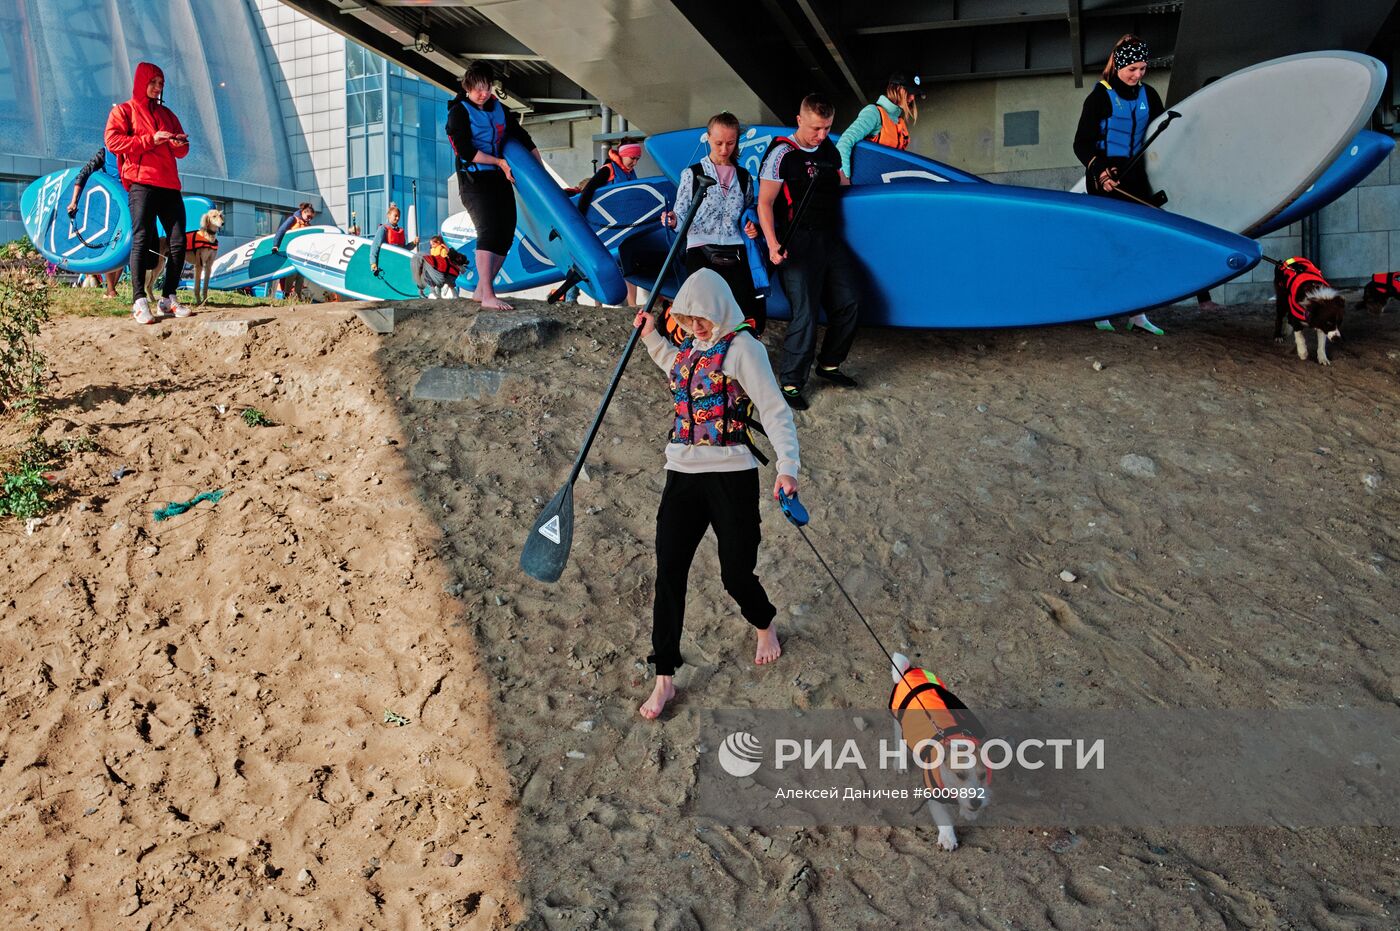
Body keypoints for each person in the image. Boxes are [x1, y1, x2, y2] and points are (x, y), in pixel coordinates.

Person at [634, 269, 801, 720]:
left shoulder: (743, 348)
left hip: (731, 475)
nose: (696, 327)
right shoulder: (692, 348)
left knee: (735, 574)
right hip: (681, 473)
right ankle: (664, 676)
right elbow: (676, 366)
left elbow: (774, 408)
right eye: (688, 319)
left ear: (720, 309)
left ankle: (764, 623)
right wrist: (653, 337)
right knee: (669, 570)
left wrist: (788, 468)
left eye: (702, 318)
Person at [756, 94, 861, 411]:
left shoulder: (829, 149)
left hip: (830, 239)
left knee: (850, 301)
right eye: (816, 128)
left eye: (827, 127)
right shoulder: (781, 154)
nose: (822, 135)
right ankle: (790, 381)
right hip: (796, 242)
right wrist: (773, 244)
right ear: (800, 120)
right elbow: (765, 203)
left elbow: (841, 181)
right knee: (806, 312)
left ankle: (829, 365)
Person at [1074, 35, 1172, 335]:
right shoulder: (1099, 98)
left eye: (1143, 69)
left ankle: (1137, 313)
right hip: (1104, 176)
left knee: (1139, 245)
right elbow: (1081, 144)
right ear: (1118, 65)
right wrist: (1101, 174)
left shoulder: (1150, 96)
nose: (1138, 75)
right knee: (1110, 245)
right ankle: (1102, 309)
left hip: (1135, 176)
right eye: (1132, 69)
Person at [445, 61, 543, 311]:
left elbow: (522, 137)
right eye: (477, 88)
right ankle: (489, 294)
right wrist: (499, 161)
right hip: (474, 180)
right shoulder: (459, 112)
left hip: (498, 178)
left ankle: (481, 290)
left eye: (486, 87)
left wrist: (538, 167)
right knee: (488, 231)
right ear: (467, 87)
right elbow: (465, 151)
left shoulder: (500, 109)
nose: (483, 93)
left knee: (506, 232)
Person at [661, 112, 766, 334]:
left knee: (741, 309)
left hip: (735, 249)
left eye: (730, 143)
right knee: (702, 311)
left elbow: (747, 212)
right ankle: (700, 360)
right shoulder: (692, 174)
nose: (724, 149)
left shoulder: (744, 176)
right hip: (700, 248)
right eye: (718, 143)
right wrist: (672, 220)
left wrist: (751, 227)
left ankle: (734, 356)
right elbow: (680, 215)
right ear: (707, 138)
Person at [103, 61, 190, 324]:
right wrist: (149, 140)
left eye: (161, 83)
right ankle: (139, 300)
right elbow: (112, 141)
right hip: (141, 183)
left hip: (169, 184)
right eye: (153, 82)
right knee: (141, 238)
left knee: (178, 242)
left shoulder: (168, 114)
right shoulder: (124, 111)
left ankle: (168, 298)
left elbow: (182, 151)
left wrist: (177, 143)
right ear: (142, 82)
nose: (157, 87)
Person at [578, 142, 643, 305]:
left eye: (637, 159)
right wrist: (580, 218)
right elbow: (587, 192)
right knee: (601, 265)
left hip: (624, 227)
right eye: (632, 158)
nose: (635, 162)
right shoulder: (608, 169)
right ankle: (598, 304)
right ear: (623, 154)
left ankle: (632, 304)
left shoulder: (630, 172)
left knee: (628, 264)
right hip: (604, 227)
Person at [834, 72, 925, 177]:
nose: (913, 98)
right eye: (909, 92)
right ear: (895, 88)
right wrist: (844, 178)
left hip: (884, 183)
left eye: (915, 94)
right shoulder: (874, 112)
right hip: (864, 183)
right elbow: (845, 142)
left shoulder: (899, 122)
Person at [66, 146, 123, 298]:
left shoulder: (133, 147)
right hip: (111, 204)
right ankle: (111, 289)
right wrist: (74, 201)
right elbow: (84, 173)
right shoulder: (105, 153)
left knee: (126, 248)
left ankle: (112, 289)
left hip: (131, 200)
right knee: (112, 245)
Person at [271, 202, 316, 301]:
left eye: (311, 218)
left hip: (301, 253)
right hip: (290, 251)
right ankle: (286, 295)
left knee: (301, 274)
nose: (309, 219)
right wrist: (276, 245)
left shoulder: (308, 226)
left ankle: (298, 296)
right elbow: (281, 231)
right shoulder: (293, 219)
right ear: (303, 212)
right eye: (308, 216)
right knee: (292, 273)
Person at [369, 202, 418, 276]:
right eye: (395, 216)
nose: (397, 218)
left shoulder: (401, 231)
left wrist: (414, 243)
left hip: (399, 265)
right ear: (389, 215)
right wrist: (373, 263)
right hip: (387, 264)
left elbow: (404, 249)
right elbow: (375, 246)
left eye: (398, 216)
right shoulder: (383, 229)